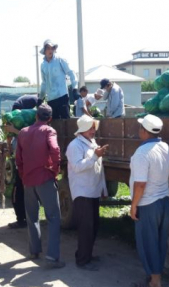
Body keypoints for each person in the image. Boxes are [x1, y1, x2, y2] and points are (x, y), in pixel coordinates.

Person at [15, 104, 65, 269]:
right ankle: (51, 258)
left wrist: (23, 175)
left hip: (28, 181)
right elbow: (55, 149)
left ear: (36, 116)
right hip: (45, 179)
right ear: (49, 119)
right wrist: (55, 170)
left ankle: (34, 251)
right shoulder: (49, 131)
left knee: (32, 217)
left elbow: (18, 158)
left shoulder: (23, 132)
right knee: (53, 218)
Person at [129, 114, 169, 287]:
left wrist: (133, 205)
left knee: (148, 243)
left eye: (140, 128)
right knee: (160, 241)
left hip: (147, 203)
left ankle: (155, 281)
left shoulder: (142, 153)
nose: (139, 130)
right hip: (164, 200)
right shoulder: (165, 146)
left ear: (144, 131)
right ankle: (156, 276)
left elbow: (140, 184)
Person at [66, 115, 108, 271]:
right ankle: (83, 260)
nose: (93, 131)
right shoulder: (74, 146)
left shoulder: (92, 143)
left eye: (94, 128)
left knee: (94, 225)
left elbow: (99, 168)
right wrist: (95, 156)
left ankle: (86, 254)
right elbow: (77, 167)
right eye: (90, 128)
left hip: (93, 190)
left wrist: (103, 187)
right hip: (82, 191)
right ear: (83, 129)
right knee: (86, 227)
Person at [4, 94, 42, 229]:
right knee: (24, 192)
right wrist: (8, 144)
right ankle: (26, 218)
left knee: (19, 192)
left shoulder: (31, 128)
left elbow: (27, 137)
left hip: (25, 166)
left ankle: (22, 220)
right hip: (26, 165)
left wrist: (14, 131)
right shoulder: (30, 122)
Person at [39, 39, 78, 119]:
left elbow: (71, 73)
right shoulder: (43, 65)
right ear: (45, 50)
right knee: (54, 123)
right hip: (51, 98)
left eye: (52, 48)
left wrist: (75, 88)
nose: (50, 50)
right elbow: (44, 83)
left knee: (65, 121)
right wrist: (40, 98)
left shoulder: (60, 60)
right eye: (48, 48)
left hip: (62, 96)